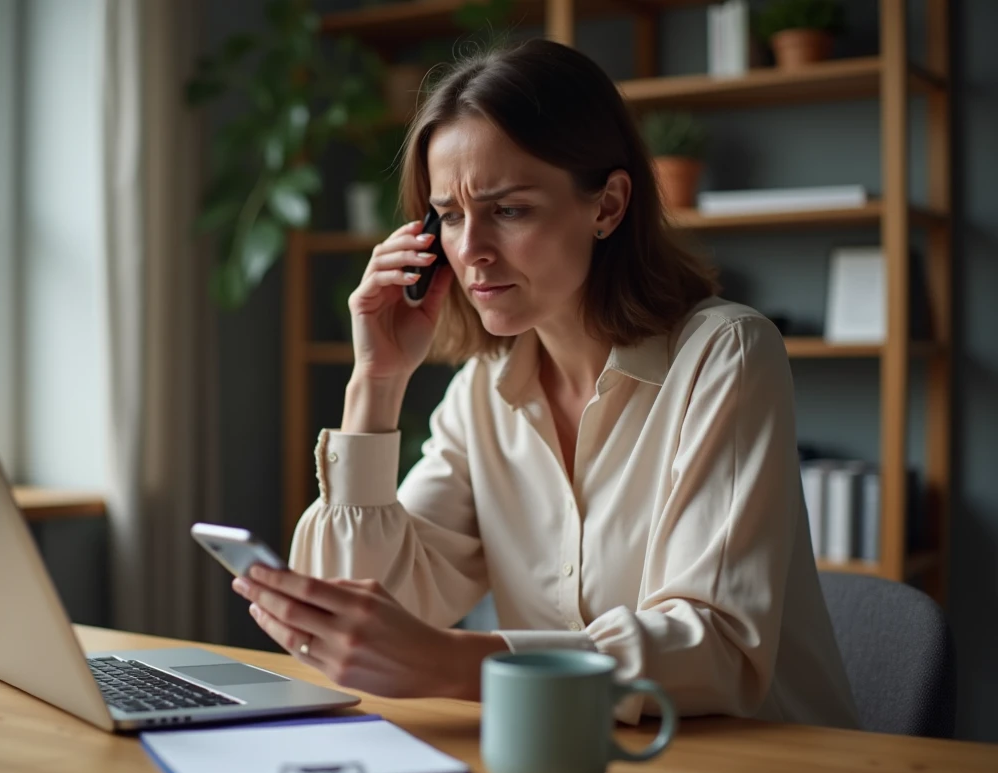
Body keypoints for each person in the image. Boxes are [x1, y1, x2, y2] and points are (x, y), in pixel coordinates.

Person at [231, 38, 859, 729]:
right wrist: (374, 384)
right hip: (572, 756)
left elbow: (715, 646)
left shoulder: (726, 355)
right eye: (448, 214)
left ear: (608, 205)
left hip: (764, 768)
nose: (469, 249)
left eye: (508, 209)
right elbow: (372, 613)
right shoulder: (483, 392)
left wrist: (455, 662)